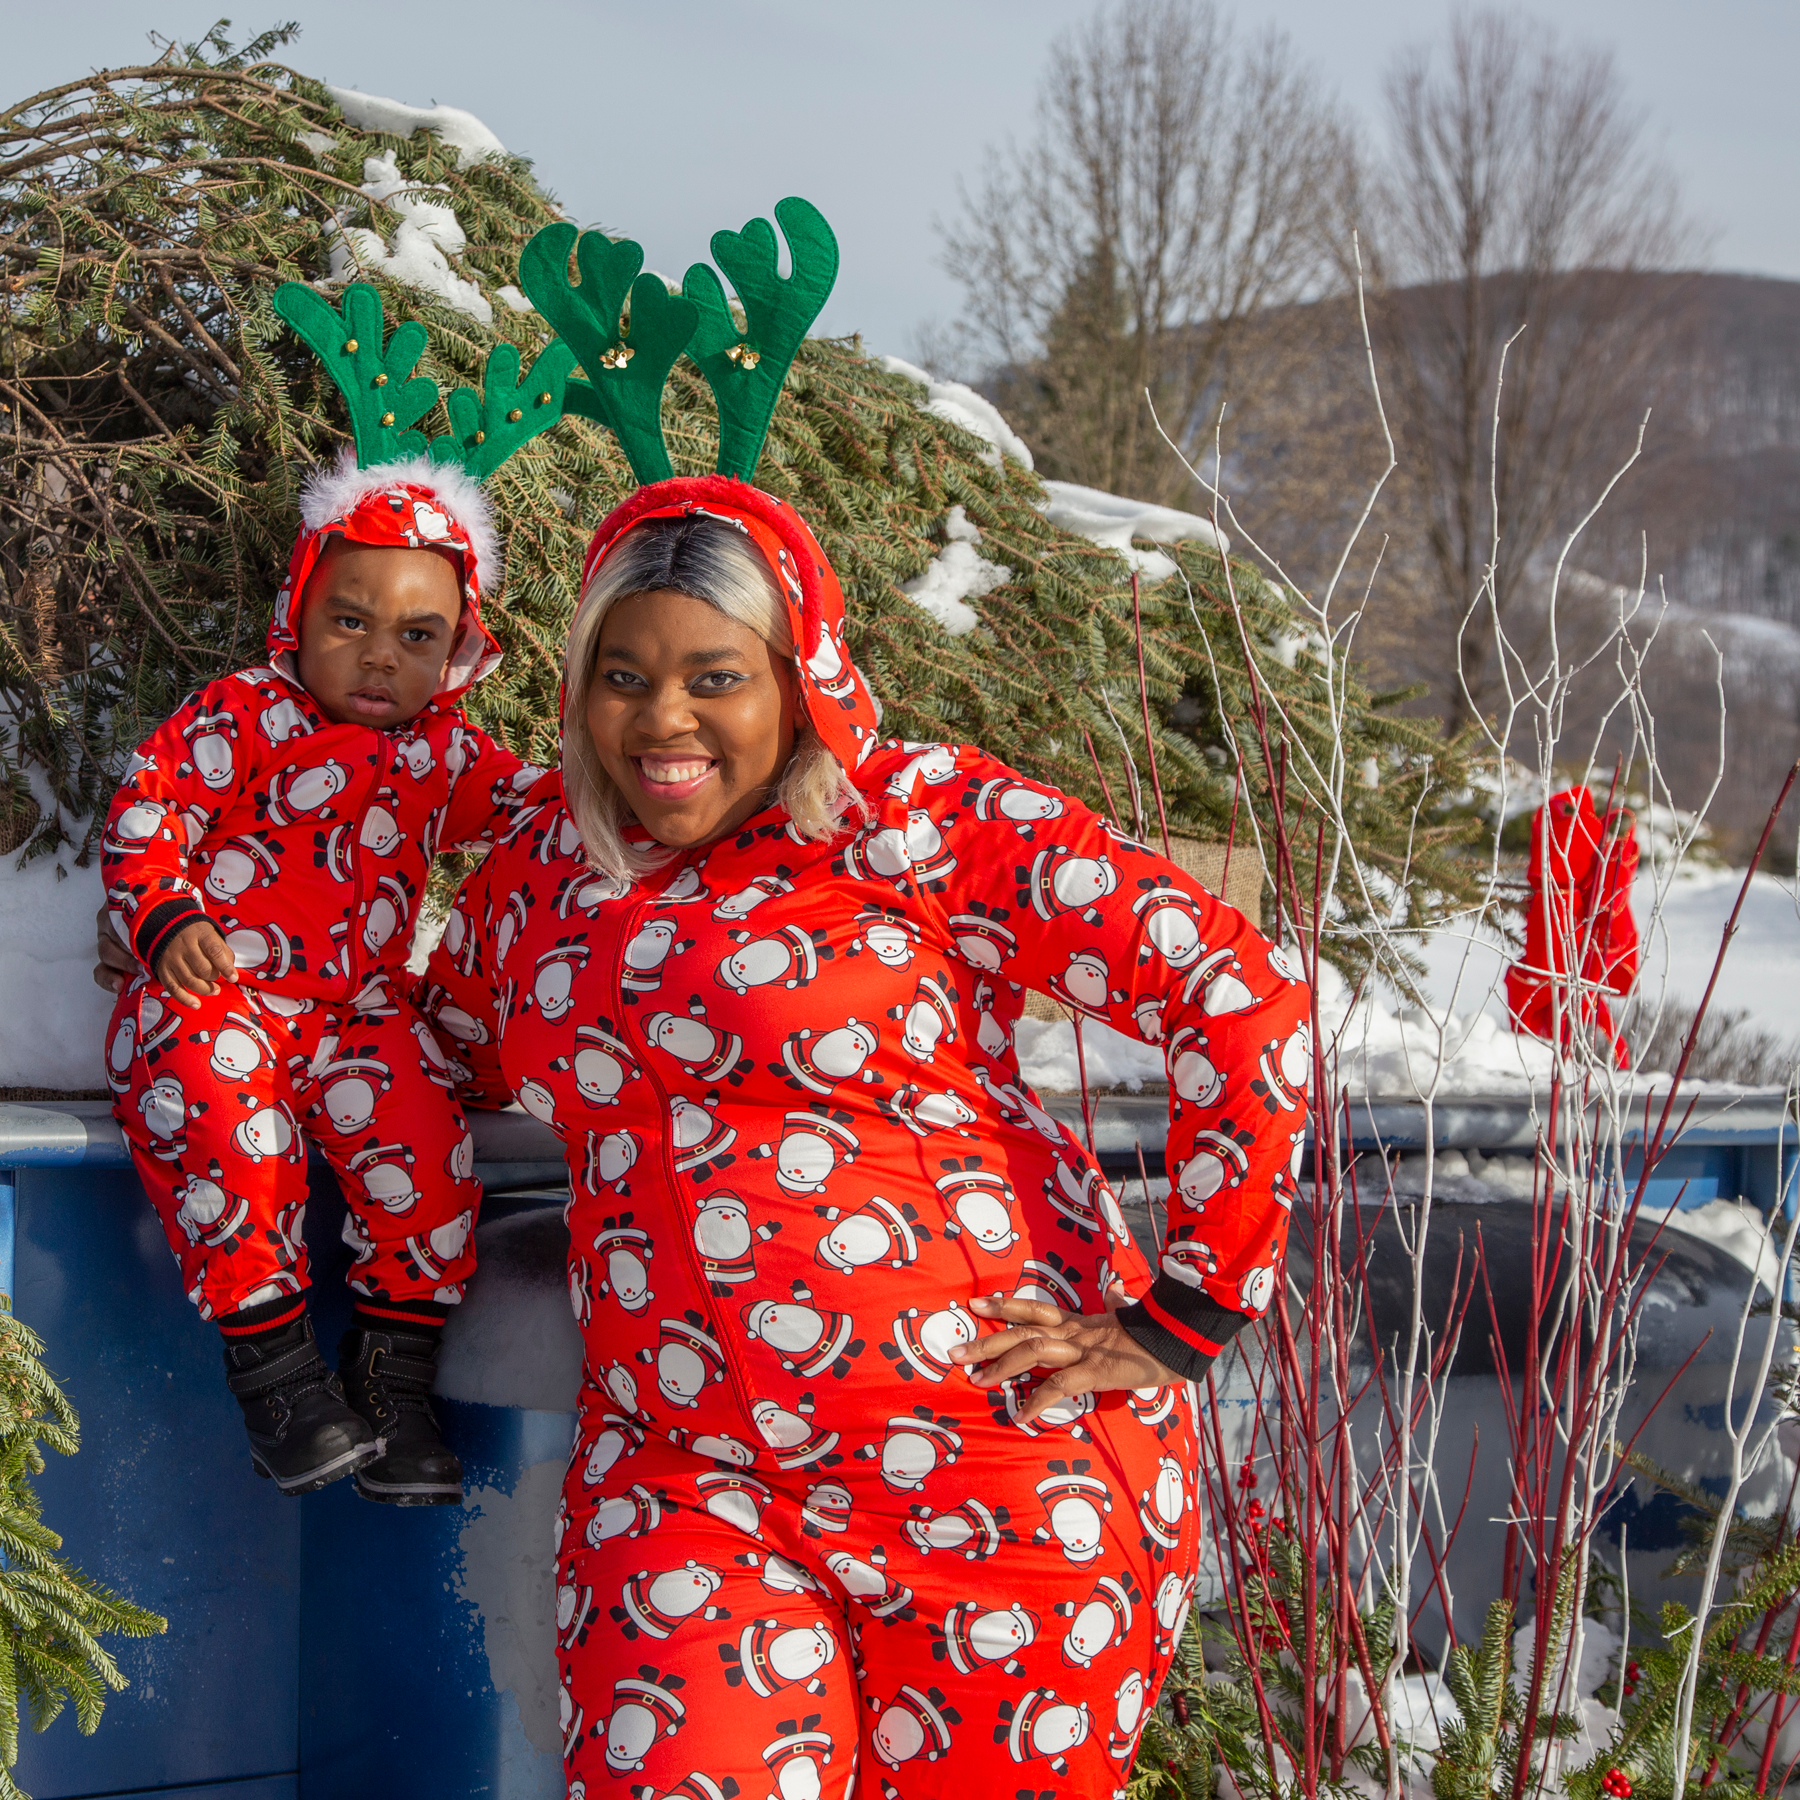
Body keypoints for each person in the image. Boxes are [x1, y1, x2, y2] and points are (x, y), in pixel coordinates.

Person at [420, 474, 1312, 1798]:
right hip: (687, 1480)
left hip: (996, 1471)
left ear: (798, 672)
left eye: (713, 675)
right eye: (623, 675)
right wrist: (203, 953)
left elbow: (1237, 994)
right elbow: (436, 1045)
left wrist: (1186, 1312)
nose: (663, 719)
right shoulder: (545, 873)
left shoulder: (924, 825)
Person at [100, 452, 537, 1502]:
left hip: (360, 1014)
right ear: (301, 608)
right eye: (351, 621)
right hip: (221, 996)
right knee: (230, 1129)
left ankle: (395, 1380)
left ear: (461, 648)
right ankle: (280, 1381)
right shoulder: (242, 714)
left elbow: (536, 816)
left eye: (417, 636)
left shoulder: (448, 752)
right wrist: (166, 920)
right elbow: (149, 814)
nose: (379, 657)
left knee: (430, 1154)